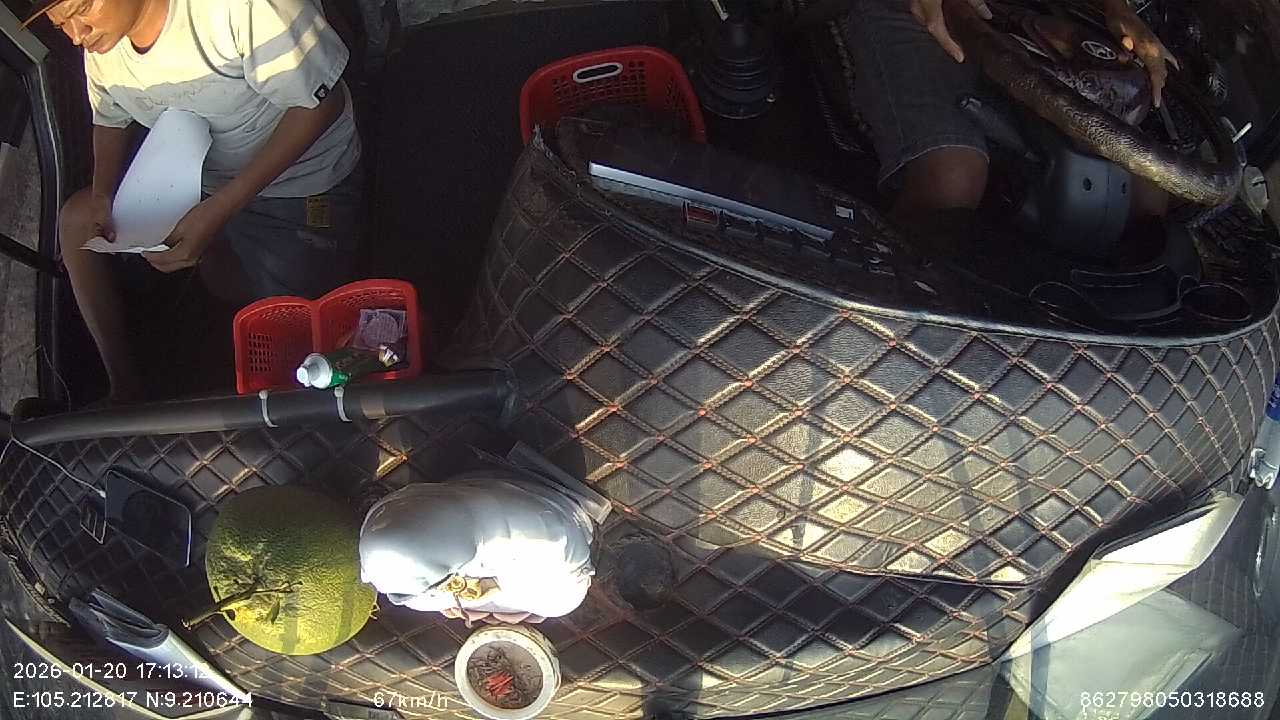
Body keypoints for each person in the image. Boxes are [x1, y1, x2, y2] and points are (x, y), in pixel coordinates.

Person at [26, 0, 362, 402]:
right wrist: (102, 192)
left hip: (301, 183)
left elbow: (323, 106)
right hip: (198, 175)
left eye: (82, 8)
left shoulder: (240, 10)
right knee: (78, 219)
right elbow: (109, 117)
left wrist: (219, 210)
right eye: (61, 24)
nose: (76, 35)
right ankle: (125, 389)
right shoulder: (103, 43)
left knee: (299, 339)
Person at [843, 0, 1178, 220]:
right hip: (914, 9)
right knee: (951, 181)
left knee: (1147, 193)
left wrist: (1117, 9)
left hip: (1023, 17)